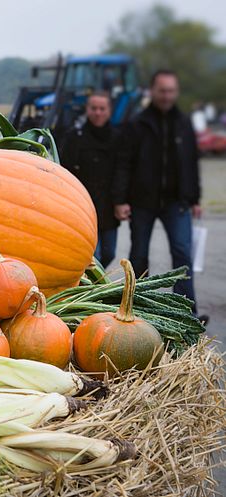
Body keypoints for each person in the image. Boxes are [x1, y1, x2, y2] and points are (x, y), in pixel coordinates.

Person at [112, 69, 206, 322]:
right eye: (162, 91)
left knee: (182, 255)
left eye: (171, 91)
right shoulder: (137, 124)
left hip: (177, 202)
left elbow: (191, 161)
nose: (167, 96)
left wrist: (195, 198)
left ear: (176, 92)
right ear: (152, 91)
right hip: (143, 202)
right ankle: (138, 310)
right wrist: (120, 199)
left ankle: (186, 313)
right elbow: (124, 163)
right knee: (139, 255)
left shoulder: (184, 123)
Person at [60, 91, 120, 268]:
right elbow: (65, 171)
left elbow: (123, 170)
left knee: (109, 253)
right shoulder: (74, 137)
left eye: (102, 108)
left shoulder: (117, 138)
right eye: (94, 108)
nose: (98, 113)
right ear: (87, 109)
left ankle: (94, 284)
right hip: (84, 206)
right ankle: (93, 291)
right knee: (95, 257)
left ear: (109, 111)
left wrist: (121, 200)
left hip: (108, 205)